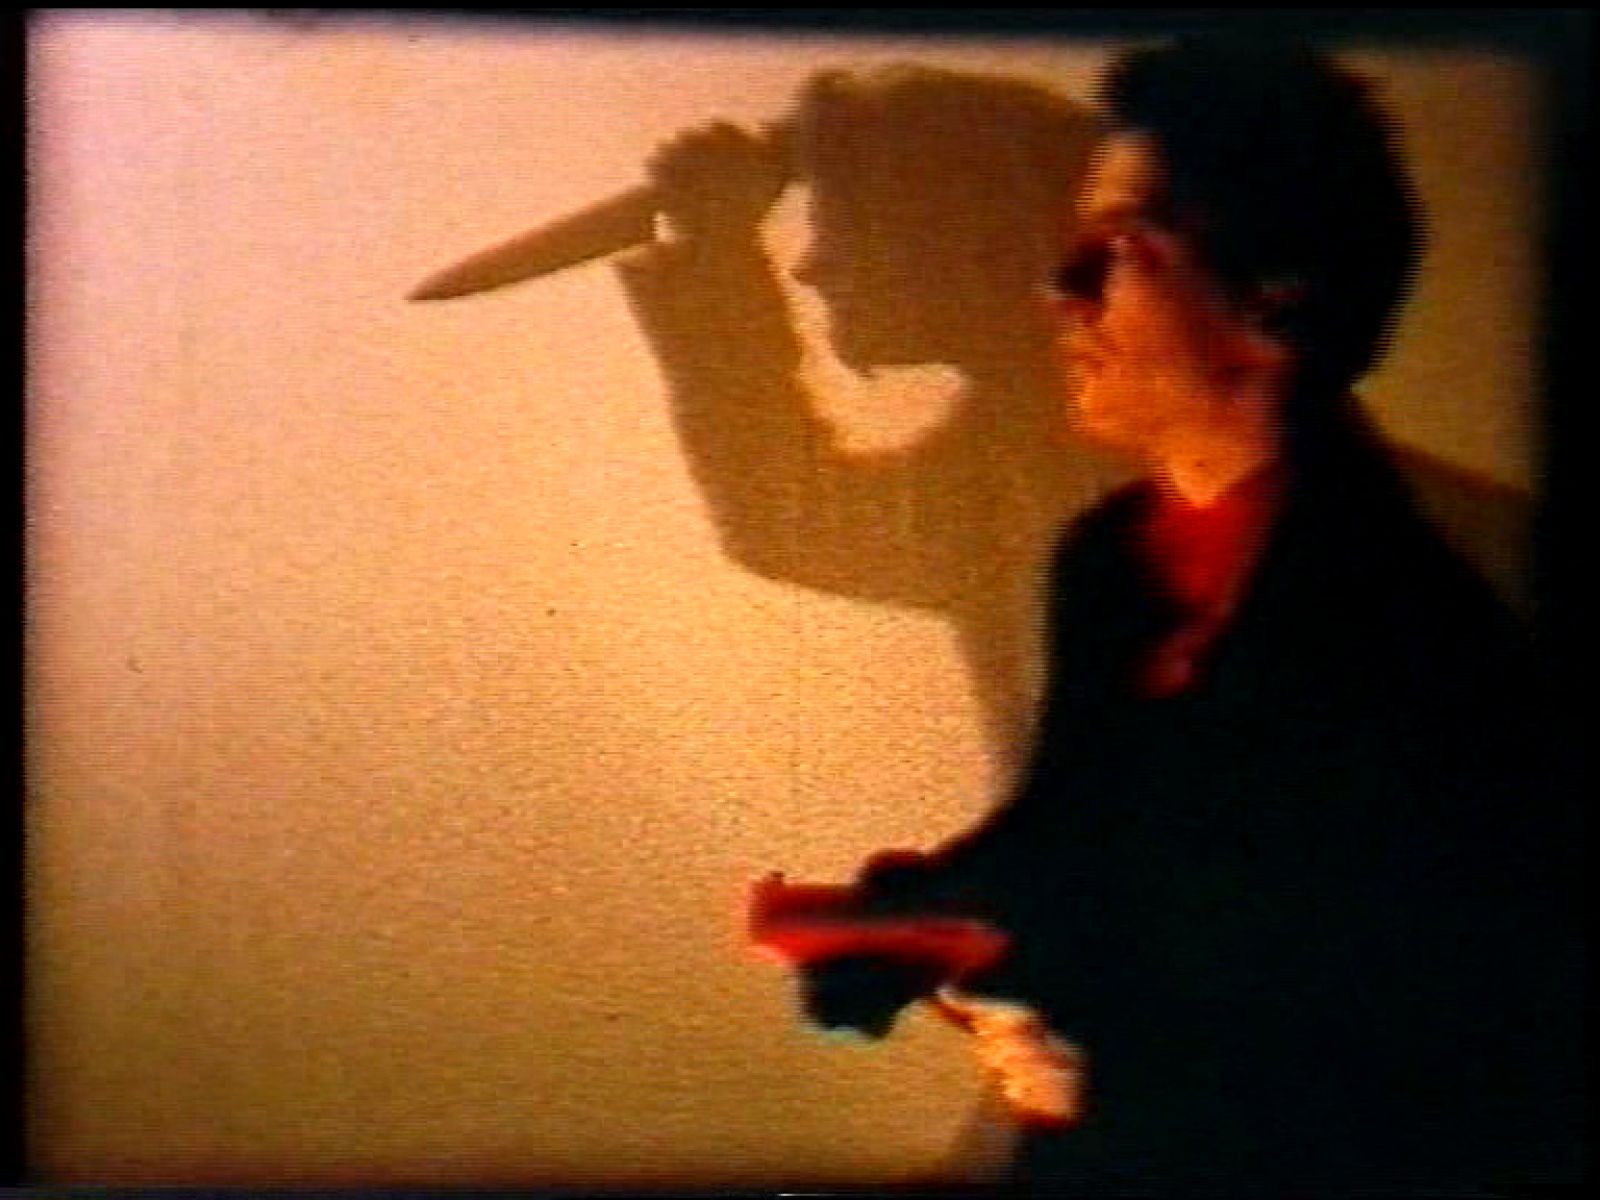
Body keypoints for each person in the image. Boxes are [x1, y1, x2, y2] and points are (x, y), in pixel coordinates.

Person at [792, 39, 1581, 1193]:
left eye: (1115, 249)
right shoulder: (1105, 560)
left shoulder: (1421, 634)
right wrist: (900, 925)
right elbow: (1077, 832)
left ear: (1274, 290)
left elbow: (1415, 1030)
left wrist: (1102, 1053)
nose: (1059, 291)